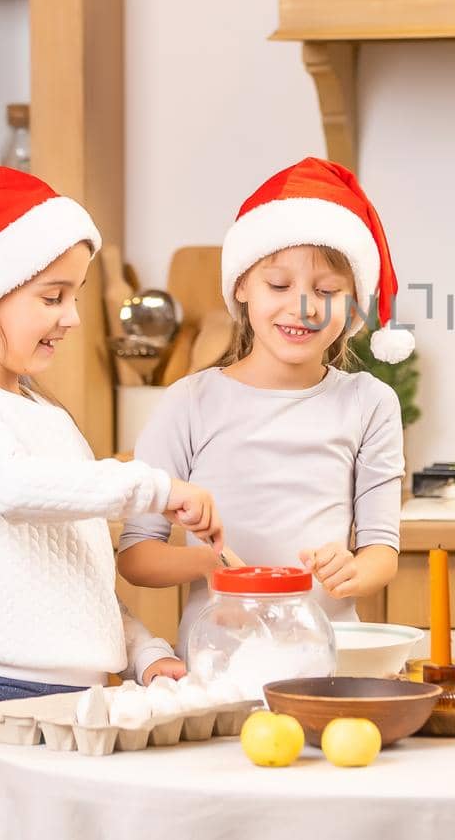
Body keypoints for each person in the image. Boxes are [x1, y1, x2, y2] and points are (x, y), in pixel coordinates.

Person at [0, 167, 221, 839]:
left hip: (79, 706)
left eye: (76, 295)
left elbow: (74, 572)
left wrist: (144, 650)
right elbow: (13, 491)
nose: (71, 317)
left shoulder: (46, 415)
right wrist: (152, 484)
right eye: (52, 296)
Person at [117, 157, 411, 651]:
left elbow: (382, 552)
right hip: (219, 660)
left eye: (327, 291)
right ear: (241, 287)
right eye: (279, 285)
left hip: (328, 658)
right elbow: (136, 557)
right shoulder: (190, 403)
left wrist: (353, 570)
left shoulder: (370, 403)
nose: (304, 307)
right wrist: (213, 563)